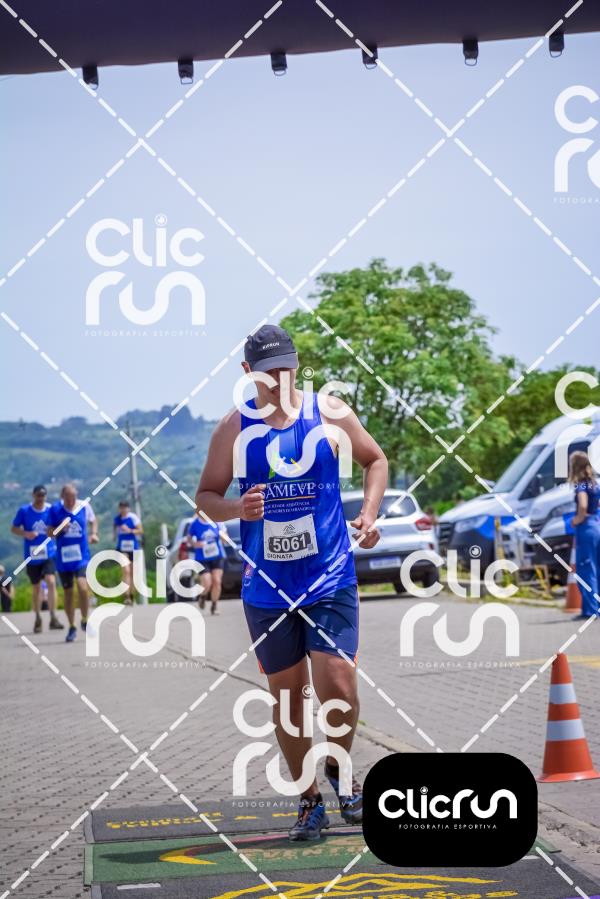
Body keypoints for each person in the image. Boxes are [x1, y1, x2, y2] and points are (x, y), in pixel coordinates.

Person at [196, 324, 388, 841]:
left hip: (329, 577)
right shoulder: (234, 429)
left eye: (286, 369)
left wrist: (369, 514)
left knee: (338, 686)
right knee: (290, 700)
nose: (279, 379)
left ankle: (340, 770)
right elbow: (206, 498)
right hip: (267, 588)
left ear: (297, 366)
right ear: (247, 373)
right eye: (267, 373)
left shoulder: (330, 413)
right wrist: (237, 508)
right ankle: (309, 800)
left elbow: (375, 460)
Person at [48, 484, 99, 642]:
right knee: (68, 593)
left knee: (83, 587)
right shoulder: (55, 510)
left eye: (73, 497)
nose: (71, 501)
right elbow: (49, 533)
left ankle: (84, 619)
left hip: (81, 556)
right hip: (64, 559)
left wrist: (94, 533)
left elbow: (93, 520)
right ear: (62, 497)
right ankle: (72, 626)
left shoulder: (84, 506)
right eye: (68, 498)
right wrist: (60, 528)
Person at [11, 485, 63, 633]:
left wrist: (54, 531)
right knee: (36, 588)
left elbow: (58, 527)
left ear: (46, 496)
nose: (40, 498)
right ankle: (38, 618)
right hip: (32, 556)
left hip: (49, 553)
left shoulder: (51, 509)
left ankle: (53, 617)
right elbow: (14, 528)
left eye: (43, 496)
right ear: (33, 495)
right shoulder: (24, 511)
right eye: (38, 495)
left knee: (51, 581)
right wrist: (26, 533)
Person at [569, 450, 600, 620]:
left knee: (587, 570)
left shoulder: (581, 485)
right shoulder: (595, 484)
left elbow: (582, 505)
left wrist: (576, 520)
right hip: (597, 524)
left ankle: (590, 610)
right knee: (598, 568)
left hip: (586, 528)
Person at [187, 517, 228, 614]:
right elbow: (189, 539)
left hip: (218, 556)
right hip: (202, 558)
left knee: (217, 581)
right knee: (207, 582)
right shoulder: (195, 524)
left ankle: (214, 605)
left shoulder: (218, 522)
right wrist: (195, 544)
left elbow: (226, 540)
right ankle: (202, 596)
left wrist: (223, 536)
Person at [113, 501, 143, 605]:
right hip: (122, 548)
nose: (123, 509)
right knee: (126, 571)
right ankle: (126, 596)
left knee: (133, 573)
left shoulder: (133, 518)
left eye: (125, 507)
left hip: (133, 547)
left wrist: (130, 530)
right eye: (121, 507)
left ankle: (132, 596)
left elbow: (140, 530)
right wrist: (115, 536)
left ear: (128, 508)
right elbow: (115, 529)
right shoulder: (117, 519)